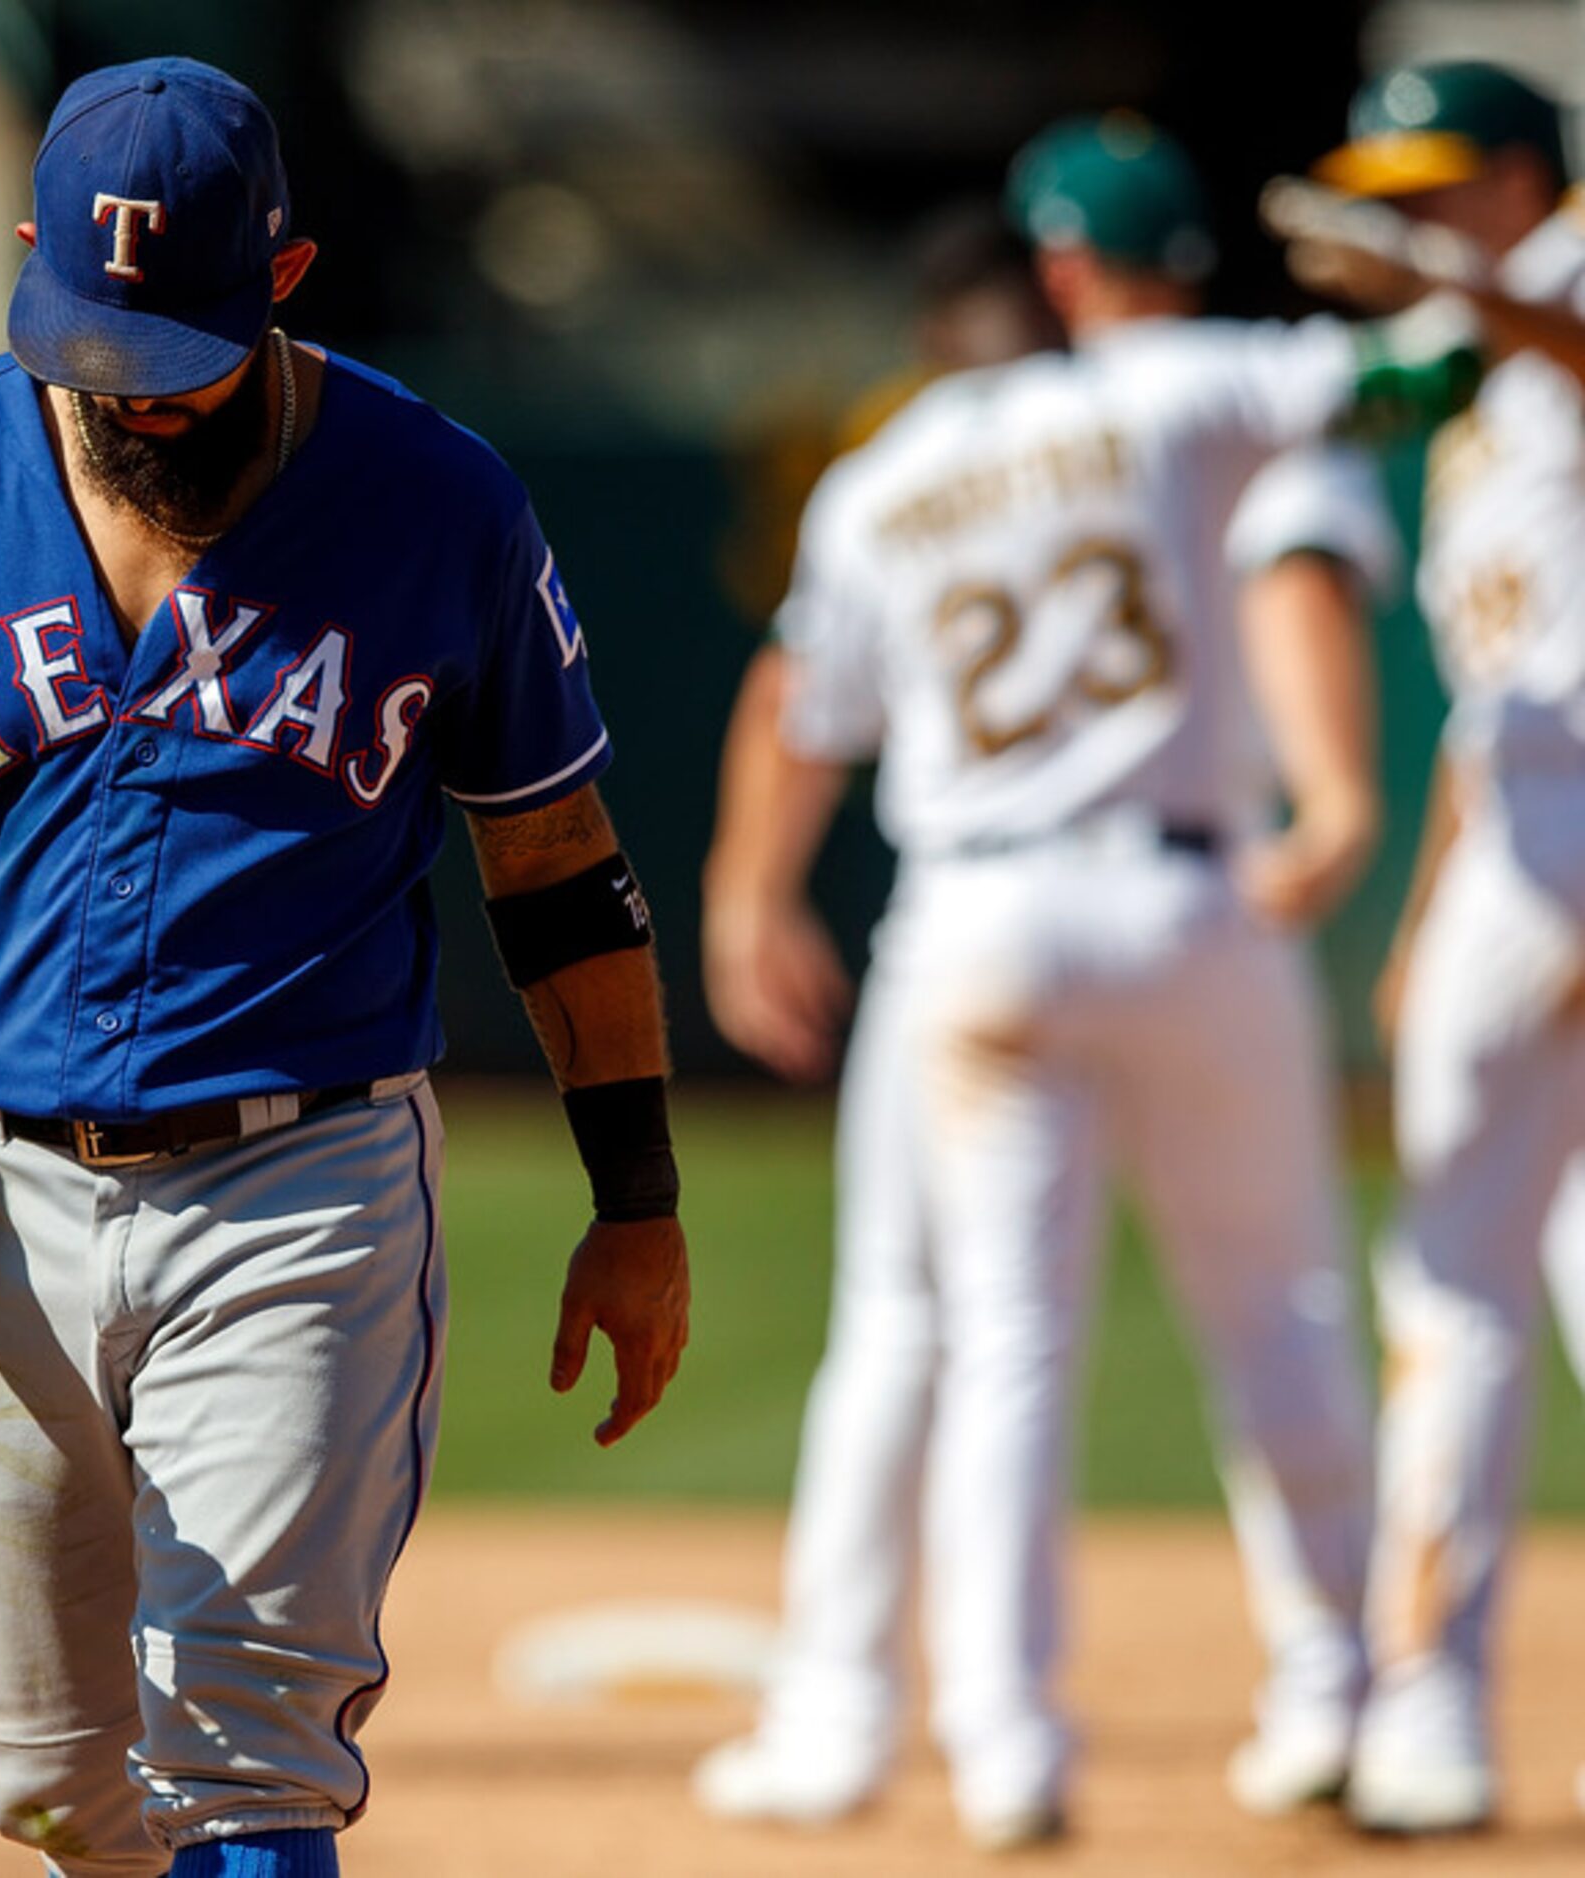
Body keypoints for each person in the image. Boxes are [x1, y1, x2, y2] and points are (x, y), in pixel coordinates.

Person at [0, 57, 692, 1877]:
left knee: (245, 1744)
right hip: (4, 1184)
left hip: (307, 1183)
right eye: (90, 336)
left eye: (173, 348)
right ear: (32, 257)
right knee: (41, 1767)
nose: (126, 392)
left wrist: (638, 1197)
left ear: (281, 281)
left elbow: (560, 869)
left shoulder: (439, 501)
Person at [694, 115, 1456, 1846]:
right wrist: (1445, 285)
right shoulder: (1180, 390)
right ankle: (1350, 1689)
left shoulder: (886, 472)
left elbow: (796, 701)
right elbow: (1412, 394)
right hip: (1191, 896)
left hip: (972, 923)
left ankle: (1010, 1743)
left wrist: (749, 895)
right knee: (1282, 1309)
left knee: (996, 1345)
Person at [1297, 61, 1585, 1835]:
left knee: (1479, 1281)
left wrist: (1476, 293)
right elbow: (1497, 703)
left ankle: (1425, 1706)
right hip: (1519, 828)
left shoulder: (1552, 287)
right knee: (1469, 1281)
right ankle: (1428, 1711)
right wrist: (1429, 907)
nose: (1401, 221)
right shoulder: (1480, 379)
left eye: (1432, 189)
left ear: (1522, 179)